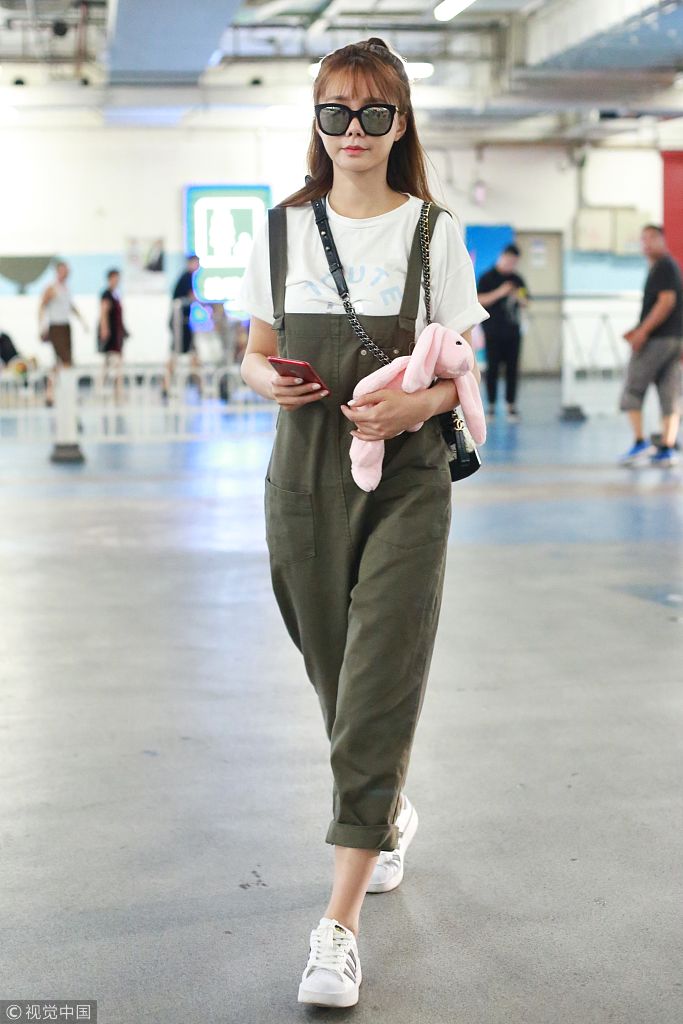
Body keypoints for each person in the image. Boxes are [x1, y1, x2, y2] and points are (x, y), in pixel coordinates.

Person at [239, 37, 488, 1010]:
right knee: (337, 677)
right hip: (302, 481)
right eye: (334, 112)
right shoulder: (279, 233)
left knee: (380, 678)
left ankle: (337, 925)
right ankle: (384, 808)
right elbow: (254, 352)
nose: (352, 130)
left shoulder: (434, 233)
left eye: (372, 113)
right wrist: (268, 381)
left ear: (398, 124)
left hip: (408, 484)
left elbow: (460, 372)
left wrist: (414, 405)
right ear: (316, 120)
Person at [619, 224, 682, 467]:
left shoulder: (664, 266)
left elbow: (666, 302)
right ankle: (667, 447)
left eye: (652, 238)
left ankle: (640, 442)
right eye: (643, 238)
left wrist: (642, 333)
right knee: (670, 392)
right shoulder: (665, 267)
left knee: (633, 388)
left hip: (658, 340)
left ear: (662, 240)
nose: (646, 243)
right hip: (674, 339)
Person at [477, 243, 528, 422]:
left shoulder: (517, 279)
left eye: (514, 262)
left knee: (512, 369)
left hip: (513, 331)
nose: (511, 265)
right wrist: (500, 292)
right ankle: (490, 406)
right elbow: (479, 300)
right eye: (509, 261)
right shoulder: (487, 277)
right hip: (493, 331)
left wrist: (517, 296)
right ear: (502, 257)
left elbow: (526, 301)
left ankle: (511, 406)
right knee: (492, 369)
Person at [38, 260, 87, 406]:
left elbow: (70, 306)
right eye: (63, 270)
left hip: (66, 326)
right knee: (65, 360)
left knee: (62, 361)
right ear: (58, 272)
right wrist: (41, 327)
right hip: (56, 326)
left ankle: (51, 393)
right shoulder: (52, 288)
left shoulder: (66, 288)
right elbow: (42, 306)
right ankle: (65, 392)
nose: (65, 273)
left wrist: (82, 321)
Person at [164, 254, 200, 398]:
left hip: (183, 322)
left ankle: (200, 386)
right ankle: (166, 385)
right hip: (179, 323)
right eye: (196, 263)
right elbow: (192, 297)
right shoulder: (186, 277)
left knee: (192, 353)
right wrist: (207, 306)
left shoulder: (187, 277)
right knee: (177, 354)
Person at [98, 268, 129, 403]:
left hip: (117, 332)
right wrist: (104, 329)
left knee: (111, 362)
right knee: (113, 362)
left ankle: (114, 390)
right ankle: (112, 390)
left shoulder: (116, 294)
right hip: (111, 333)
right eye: (115, 278)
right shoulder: (106, 294)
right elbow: (103, 313)